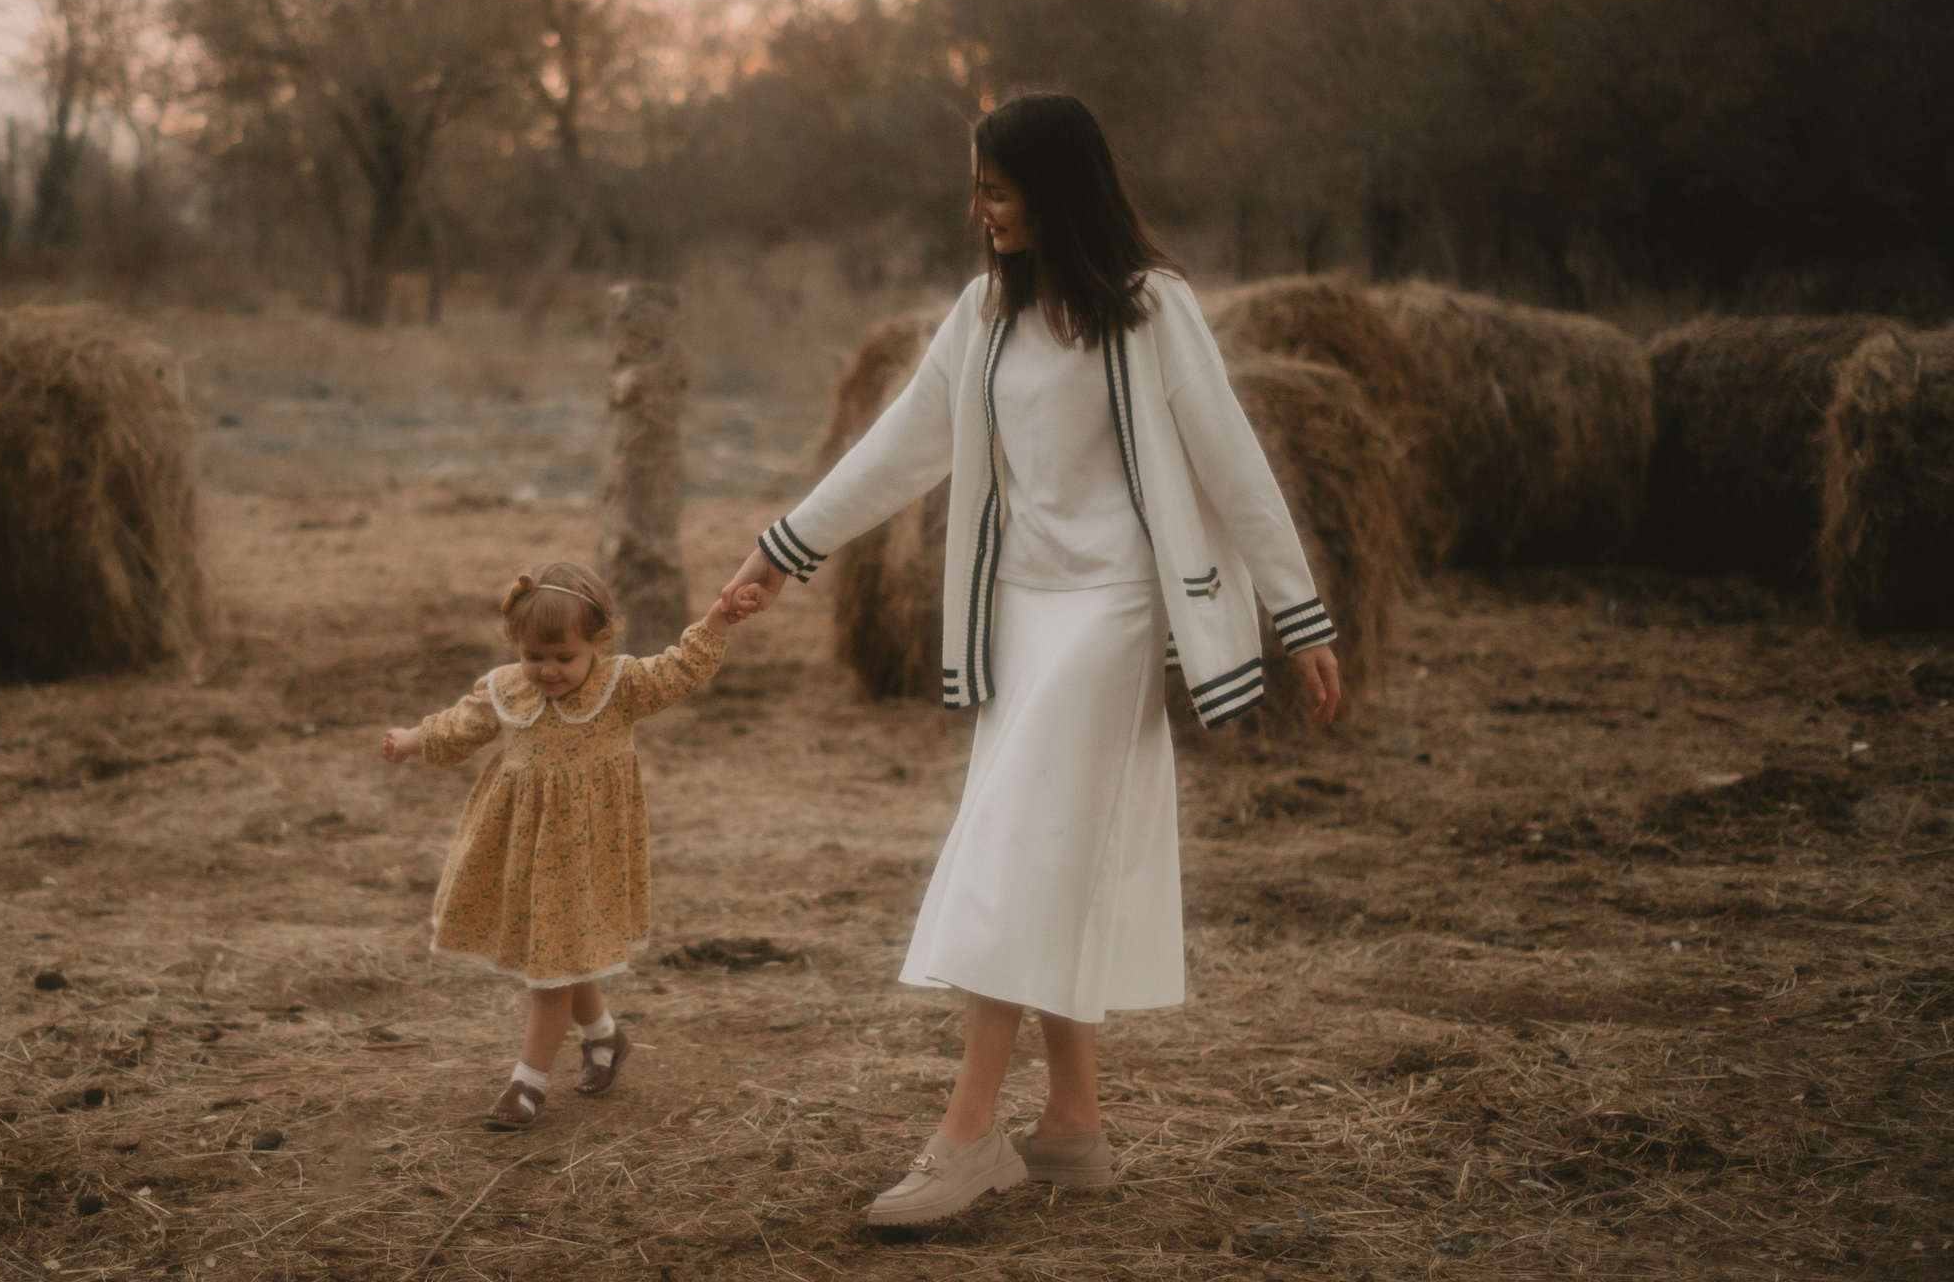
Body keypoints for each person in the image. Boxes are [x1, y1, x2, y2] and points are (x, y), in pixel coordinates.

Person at [720, 92, 1342, 1226]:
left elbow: (1234, 465)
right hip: (1020, 614)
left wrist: (1300, 615)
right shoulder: (984, 316)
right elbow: (901, 443)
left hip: (1112, 614)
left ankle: (965, 1139)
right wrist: (786, 551)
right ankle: (1071, 1126)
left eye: (997, 190)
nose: (980, 210)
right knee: (1054, 851)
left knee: (1014, 852)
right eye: (976, 187)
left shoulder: (1155, 311)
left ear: (1056, 190)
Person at [383, 562, 766, 1129]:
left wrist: (715, 621)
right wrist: (412, 740)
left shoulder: (620, 687)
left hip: (588, 852)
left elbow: (680, 670)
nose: (548, 670)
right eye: (534, 656)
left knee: (552, 967)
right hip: (523, 848)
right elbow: (461, 726)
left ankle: (526, 1086)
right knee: (560, 953)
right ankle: (605, 1037)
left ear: (598, 642)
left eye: (564, 656)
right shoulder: (506, 689)